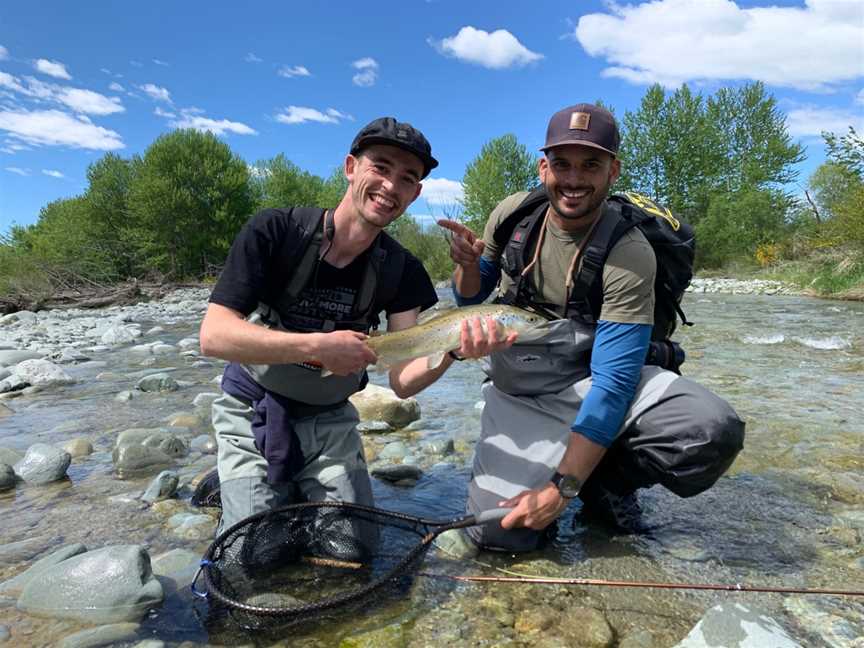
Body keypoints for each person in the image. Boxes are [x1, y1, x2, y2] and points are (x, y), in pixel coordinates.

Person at [438, 104, 745, 552]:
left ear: (613, 170)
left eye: (591, 165)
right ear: (544, 167)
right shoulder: (512, 215)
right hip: (521, 390)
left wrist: (563, 487)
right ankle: (571, 468)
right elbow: (471, 295)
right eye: (562, 164)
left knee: (708, 431)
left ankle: (606, 481)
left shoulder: (629, 252)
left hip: (597, 378)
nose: (574, 179)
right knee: (499, 536)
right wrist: (466, 267)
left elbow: (614, 382)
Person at [199, 116, 514, 536]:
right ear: (351, 167)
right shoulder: (275, 231)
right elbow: (214, 336)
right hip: (252, 406)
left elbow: (402, 381)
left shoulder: (402, 269)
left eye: (407, 178)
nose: (390, 186)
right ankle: (239, 481)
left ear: (416, 193)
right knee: (252, 549)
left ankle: (286, 481)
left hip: (330, 420)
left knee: (352, 545)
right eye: (380, 167)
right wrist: (317, 348)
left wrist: (453, 351)